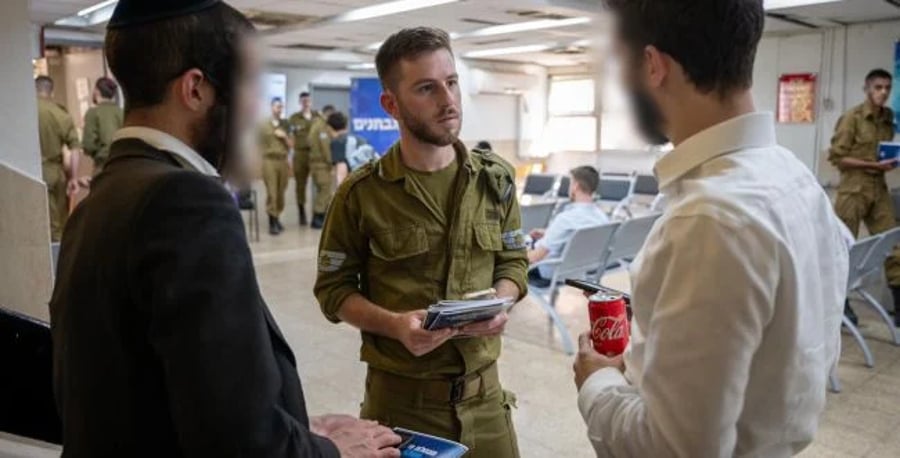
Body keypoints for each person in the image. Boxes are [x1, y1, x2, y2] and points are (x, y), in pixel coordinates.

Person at [49, 1, 401, 457]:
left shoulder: (102, 197)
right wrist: (331, 453)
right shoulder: (187, 204)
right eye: (248, 85)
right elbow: (239, 444)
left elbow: (161, 392)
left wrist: (291, 425)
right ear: (195, 89)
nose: (255, 109)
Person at [573, 1, 850, 456]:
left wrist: (597, 381)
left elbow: (671, 448)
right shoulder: (796, 179)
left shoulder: (708, 221)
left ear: (651, 65)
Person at [314, 27, 528, 458]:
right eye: (427, 88)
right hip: (402, 408)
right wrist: (395, 325)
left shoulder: (495, 179)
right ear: (391, 104)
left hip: (486, 402)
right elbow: (333, 290)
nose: (448, 101)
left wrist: (501, 303)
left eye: (451, 83)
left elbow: (513, 262)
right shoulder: (362, 194)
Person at [829, 68, 899, 327]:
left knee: (893, 245)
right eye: (878, 87)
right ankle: (841, 305)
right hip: (854, 189)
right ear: (867, 88)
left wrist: (886, 165)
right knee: (843, 249)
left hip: (878, 186)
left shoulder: (888, 118)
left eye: (887, 88)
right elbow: (838, 157)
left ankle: (899, 308)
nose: (883, 92)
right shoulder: (852, 118)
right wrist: (872, 165)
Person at [526, 166, 609, 288]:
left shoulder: (565, 219)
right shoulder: (602, 218)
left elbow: (534, 258)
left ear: (575, 186)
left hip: (550, 272)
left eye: (570, 183)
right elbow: (578, 236)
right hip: (580, 269)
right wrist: (549, 233)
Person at [35, 75, 81, 242]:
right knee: (58, 226)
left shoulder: (26, 112)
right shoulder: (61, 114)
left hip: (33, 170)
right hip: (56, 173)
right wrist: (73, 178)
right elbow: (75, 148)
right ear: (51, 92)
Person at [259, 97, 293, 235]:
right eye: (277, 106)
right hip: (269, 161)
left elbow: (292, 145)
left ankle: (277, 216)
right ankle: (272, 221)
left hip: (283, 161)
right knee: (272, 192)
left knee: (280, 192)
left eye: (281, 107)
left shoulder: (286, 124)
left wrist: (284, 136)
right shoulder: (263, 125)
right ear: (271, 107)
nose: (279, 109)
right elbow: (256, 144)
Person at [82, 77, 124, 175]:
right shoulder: (122, 112)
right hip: (123, 164)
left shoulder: (93, 113)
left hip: (103, 165)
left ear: (96, 91)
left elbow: (88, 145)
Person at [288, 91, 318, 226]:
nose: (306, 103)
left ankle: (319, 212)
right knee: (300, 184)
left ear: (311, 102)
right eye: (303, 101)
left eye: (308, 100)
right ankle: (302, 212)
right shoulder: (294, 118)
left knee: (319, 183)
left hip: (315, 154)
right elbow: (290, 138)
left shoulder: (318, 117)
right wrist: (289, 156)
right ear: (300, 102)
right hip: (300, 154)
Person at [327, 111, 374, 186]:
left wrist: (341, 195)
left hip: (358, 185)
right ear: (346, 125)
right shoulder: (362, 140)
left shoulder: (339, 142)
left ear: (329, 128)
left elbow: (341, 171)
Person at [307, 104, 336, 228]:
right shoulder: (322, 127)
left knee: (323, 190)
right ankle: (317, 217)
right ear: (328, 114)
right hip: (321, 164)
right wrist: (332, 162)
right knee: (324, 191)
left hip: (316, 163)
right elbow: (325, 148)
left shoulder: (315, 124)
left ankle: (321, 216)